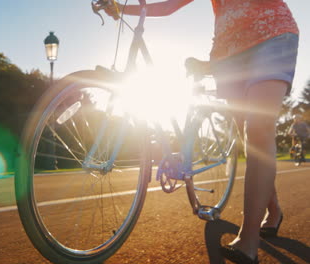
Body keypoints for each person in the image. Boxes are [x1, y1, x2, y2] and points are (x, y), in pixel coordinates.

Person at [105, 1, 299, 263]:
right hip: (227, 52)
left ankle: (248, 239)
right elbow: (170, 5)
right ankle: (273, 209)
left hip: (272, 33)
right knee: (250, 137)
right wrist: (121, 7)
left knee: (258, 128)